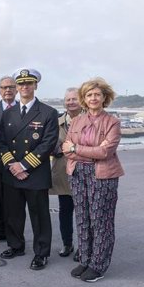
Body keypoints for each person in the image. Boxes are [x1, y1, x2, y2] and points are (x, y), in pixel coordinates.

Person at [62, 78, 124, 282]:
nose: (93, 98)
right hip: (78, 173)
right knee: (82, 218)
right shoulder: (77, 121)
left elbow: (105, 152)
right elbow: (65, 149)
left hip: (102, 176)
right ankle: (86, 260)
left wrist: (77, 149)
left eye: (97, 94)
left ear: (105, 97)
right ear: (84, 99)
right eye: (89, 95)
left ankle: (98, 265)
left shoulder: (112, 122)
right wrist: (87, 152)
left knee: (100, 220)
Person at [0, 69, 59, 270]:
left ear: (35, 86)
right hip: (12, 173)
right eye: (21, 84)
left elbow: (48, 144)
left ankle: (41, 253)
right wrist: (12, 166)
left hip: (35, 173)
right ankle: (16, 246)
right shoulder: (8, 113)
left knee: (39, 216)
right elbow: (2, 143)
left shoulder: (48, 112)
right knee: (13, 214)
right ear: (16, 87)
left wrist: (23, 165)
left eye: (29, 83)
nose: (24, 87)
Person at [50, 87, 82, 259]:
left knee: (84, 213)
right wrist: (65, 148)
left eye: (74, 99)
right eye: (68, 99)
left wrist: (72, 148)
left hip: (84, 172)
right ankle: (67, 244)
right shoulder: (57, 121)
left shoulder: (89, 120)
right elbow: (50, 143)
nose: (71, 102)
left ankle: (83, 247)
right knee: (65, 211)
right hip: (62, 171)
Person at [0, 76, 18, 243]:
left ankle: (13, 233)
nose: (8, 90)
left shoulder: (23, 108)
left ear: (16, 89)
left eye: (11, 87)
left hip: (19, 161)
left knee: (14, 201)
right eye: (4, 87)